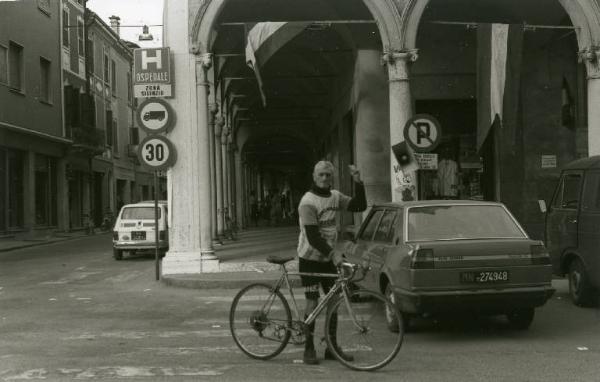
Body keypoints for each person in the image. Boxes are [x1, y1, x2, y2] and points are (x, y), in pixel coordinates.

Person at [297, 160, 367, 365]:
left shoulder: (335, 196)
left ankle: (332, 347)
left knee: (334, 301)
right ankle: (308, 348)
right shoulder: (307, 201)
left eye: (328, 174)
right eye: (321, 174)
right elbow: (313, 237)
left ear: (332, 177)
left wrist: (358, 181)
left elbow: (359, 205)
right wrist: (334, 254)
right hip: (309, 258)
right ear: (314, 176)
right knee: (312, 301)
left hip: (328, 258)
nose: (325, 178)